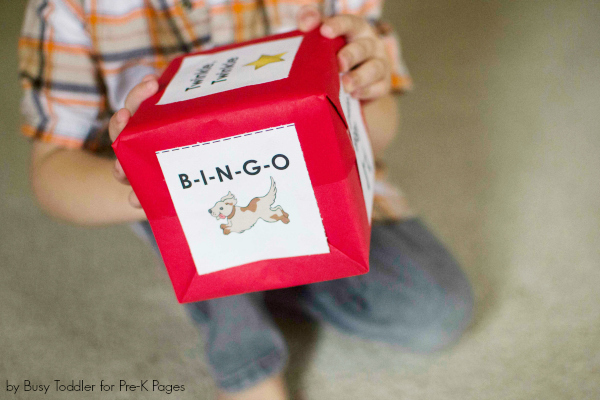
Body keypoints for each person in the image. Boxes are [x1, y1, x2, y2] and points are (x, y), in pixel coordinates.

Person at [19, 1, 473, 399]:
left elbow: (381, 132)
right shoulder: (70, 8)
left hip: (327, 192)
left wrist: (365, 96)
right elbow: (53, 174)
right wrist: (151, 190)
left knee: (435, 311)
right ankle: (244, 360)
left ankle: (278, 279)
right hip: (190, 218)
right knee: (198, 234)